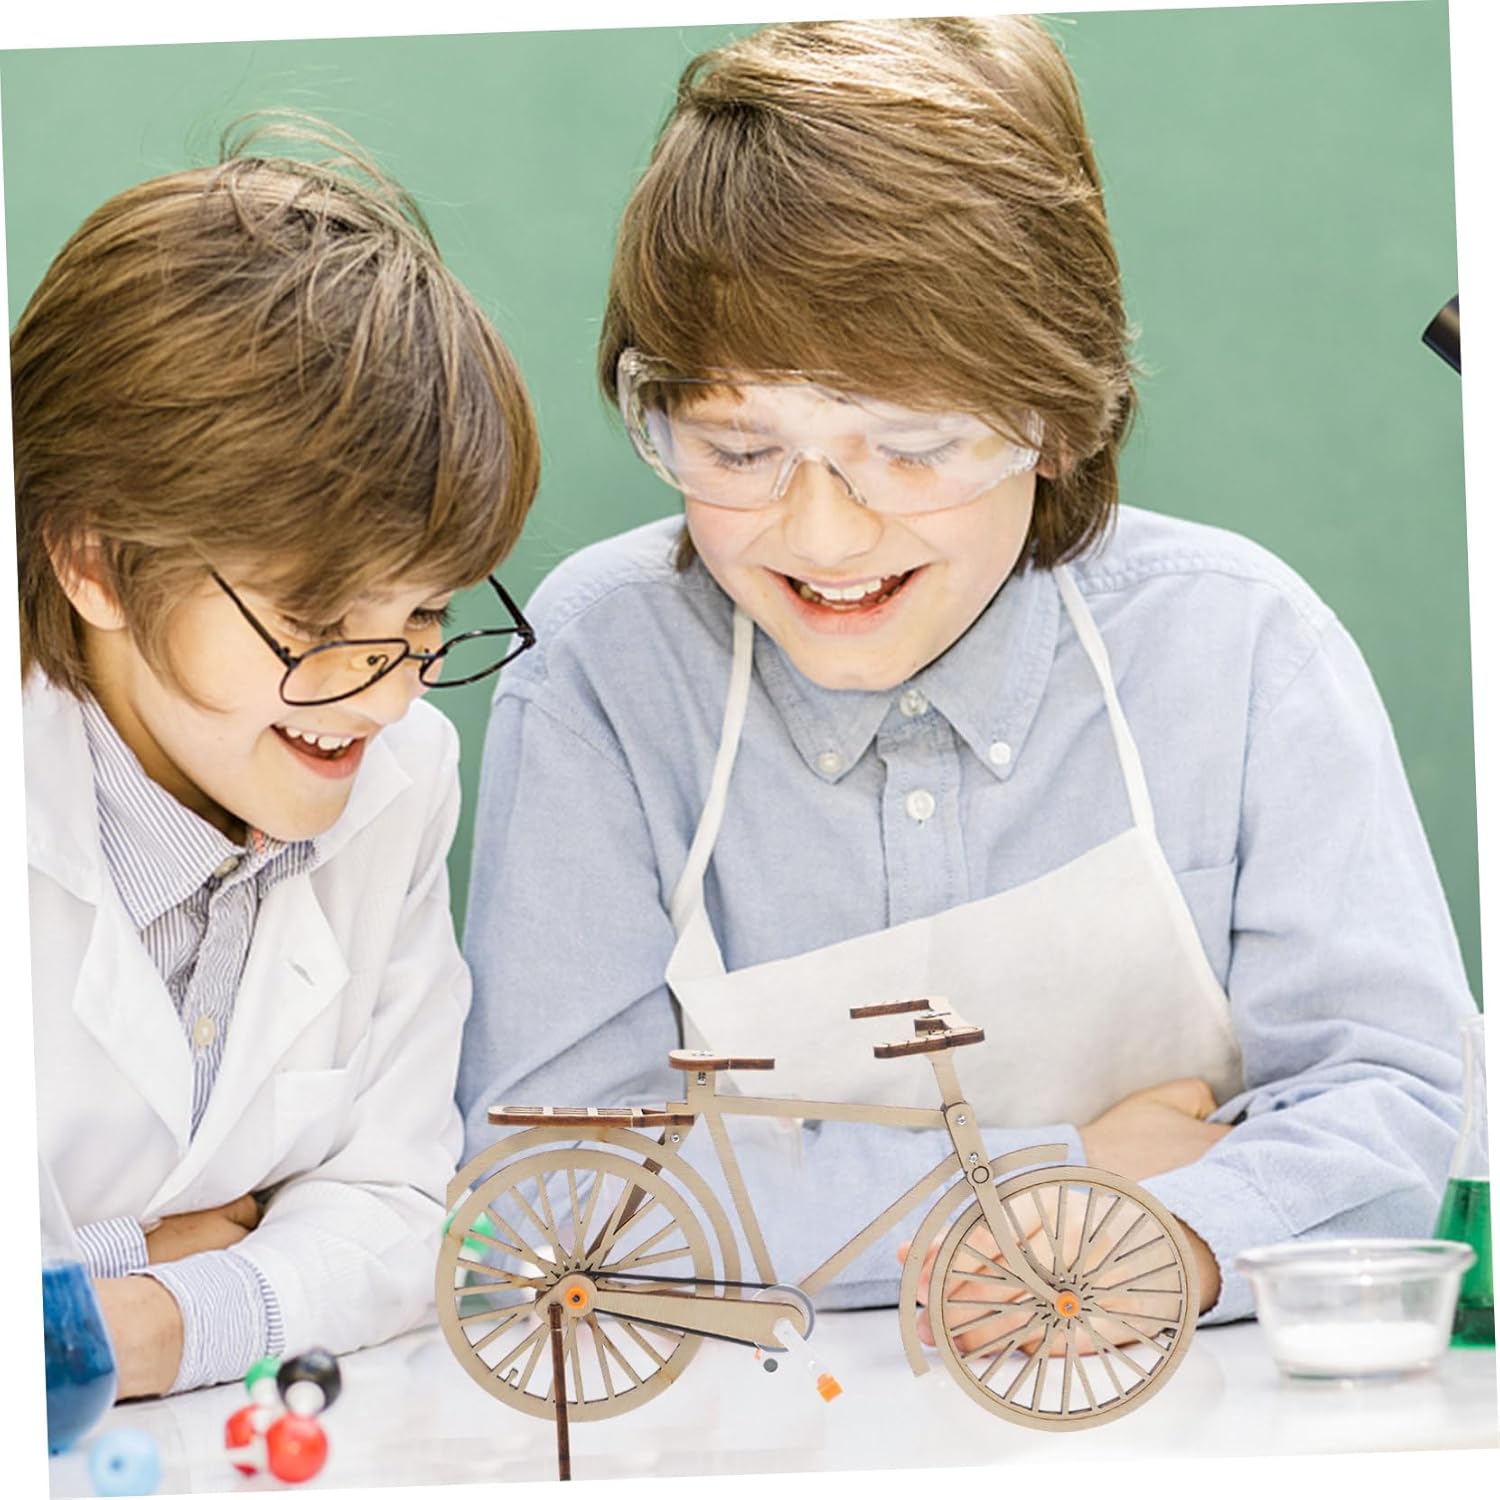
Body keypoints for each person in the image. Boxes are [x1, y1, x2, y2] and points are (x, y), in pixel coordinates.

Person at [457, 15, 1472, 1337]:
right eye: (740, 450)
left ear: (1058, 418)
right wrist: (1079, 1169)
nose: (825, 535)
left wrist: (1169, 1245)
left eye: (915, 448)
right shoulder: (602, 668)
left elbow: (1403, 1114)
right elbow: (552, 1190)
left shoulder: (1242, 651)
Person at [17, 120, 540, 1398]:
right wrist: (140, 1252)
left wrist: (151, 1321)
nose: (392, 689)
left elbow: (398, 1208)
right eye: (313, 621)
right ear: (92, 559)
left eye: (425, 611)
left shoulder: (399, 773)